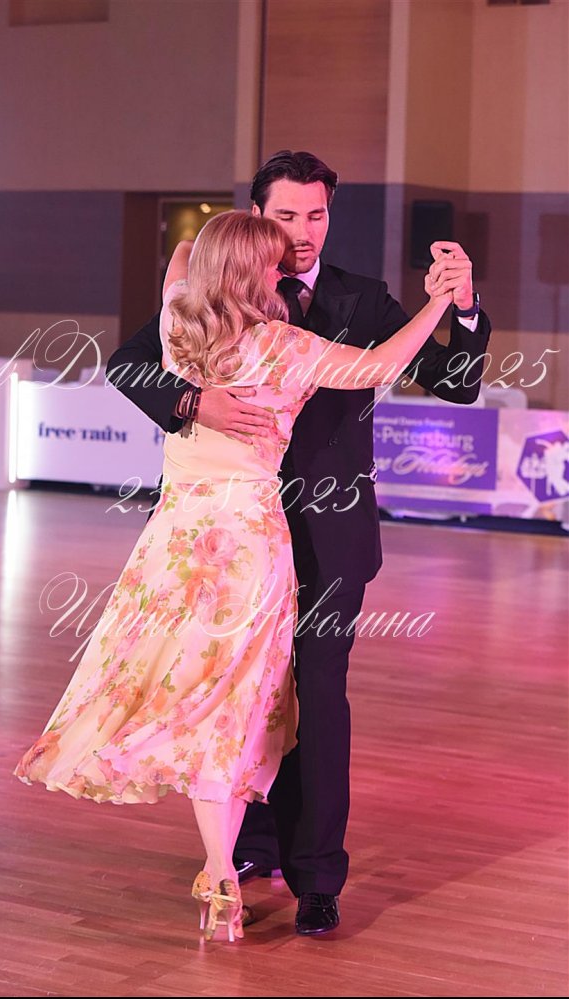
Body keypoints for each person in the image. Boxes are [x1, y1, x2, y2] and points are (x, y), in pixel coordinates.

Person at [13, 209, 462, 944]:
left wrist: (220, 248)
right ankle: (223, 871)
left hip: (175, 546)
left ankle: (221, 870)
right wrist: (439, 301)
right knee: (233, 710)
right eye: (273, 261)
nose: (285, 270)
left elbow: (181, 263)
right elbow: (382, 365)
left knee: (186, 699)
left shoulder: (177, 329)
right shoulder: (284, 346)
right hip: (248, 548)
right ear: (251, 273)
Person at [103, 152, 493, 936]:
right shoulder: (211, 295)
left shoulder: (361, 298)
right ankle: (251, 847)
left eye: (317, 214)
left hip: (329, 537)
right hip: (228, 542)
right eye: (287, 216)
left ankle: (317, 876)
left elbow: (454, 382)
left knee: (317, 697)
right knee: (238, 697)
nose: (304, 231)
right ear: (257, 216)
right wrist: (196, 402)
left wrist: (465, 307)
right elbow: (128, 366)